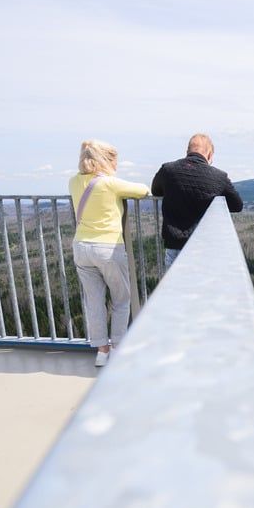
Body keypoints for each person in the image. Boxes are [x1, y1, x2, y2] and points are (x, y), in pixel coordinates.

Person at [69, 140, 151, 367]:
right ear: (107, 160)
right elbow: (143, 190)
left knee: (94, 301)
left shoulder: (74, 182)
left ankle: (101, 352)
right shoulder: (109, 184)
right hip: (108, 247)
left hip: (81, 247)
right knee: (121, 299)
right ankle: (117, 347)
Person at [151, 133, 243, 268]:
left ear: (187, 152)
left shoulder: (168, 170)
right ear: (210, 155)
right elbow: (237, 205)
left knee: (174, 287)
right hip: (204, 248)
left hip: (175, 245)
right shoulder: (218, 177)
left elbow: (155, 191)